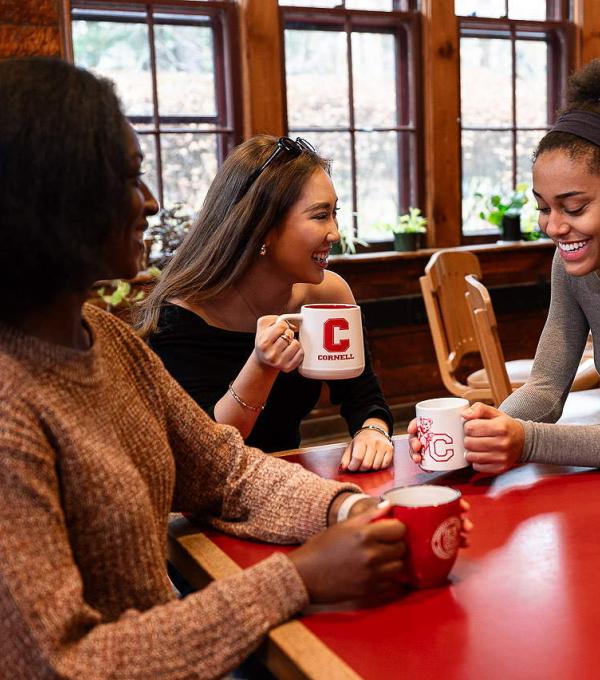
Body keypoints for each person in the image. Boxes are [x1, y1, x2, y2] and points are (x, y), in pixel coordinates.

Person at [0, 57, 416, 680]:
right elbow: (63, 663)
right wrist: (297, 578)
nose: (149, 202)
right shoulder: (10, 408)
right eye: (130, 178)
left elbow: (225, 471)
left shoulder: (106, 338)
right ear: (55, 194)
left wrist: (345, 509)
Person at [136, 134, 394, 472]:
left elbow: (363, 396)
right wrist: (261, 365)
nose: (334, 233)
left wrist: (373, 432)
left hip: (289, 481)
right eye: (320, 216)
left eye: (335, 214)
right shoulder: (179, 317)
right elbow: (208, 455)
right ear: (263, 229)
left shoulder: (327, 296)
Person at [409, 59, 600, 475]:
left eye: (574, 207)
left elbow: (532, 435)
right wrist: (480, 427)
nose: (554, 226)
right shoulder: (568, 267)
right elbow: (546, 388)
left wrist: (525, 440)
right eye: (543, 208)